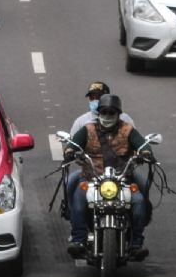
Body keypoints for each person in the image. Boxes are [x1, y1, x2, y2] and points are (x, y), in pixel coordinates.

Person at [65, 94, 151, 261]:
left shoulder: (128, 130)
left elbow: (142, 144)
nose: (107, 116)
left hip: (122, 179)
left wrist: (145, 153)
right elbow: (72, 145)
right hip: (92, 178)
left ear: (118, 114)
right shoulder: (87, 130)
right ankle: (78, 240)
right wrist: (70, 152)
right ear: (99, 114)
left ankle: (136, 243)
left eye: (111, 113)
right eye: (104, 112)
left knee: (140, 201)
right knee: (78, 198)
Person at [69, 81, 134, 136]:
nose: (95, 101)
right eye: (92, 98)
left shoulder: (124, 119)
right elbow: (72, 145)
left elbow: (136, 144)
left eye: (98, 97)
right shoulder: (81, 122)